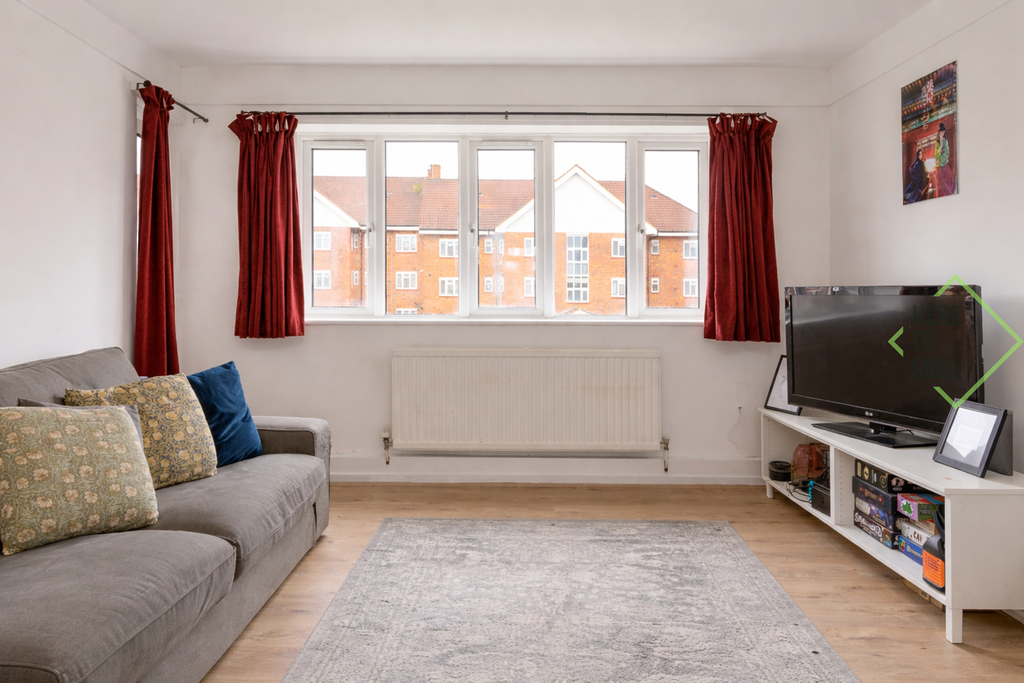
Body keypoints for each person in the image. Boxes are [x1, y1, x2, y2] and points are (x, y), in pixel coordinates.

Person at [933, 122, 955, 197]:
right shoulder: (937, 142)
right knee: (939, 185)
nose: (941, 132)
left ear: (944, 131)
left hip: (944, 166)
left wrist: (940, 159)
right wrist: (939, 150)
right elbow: (935, 155)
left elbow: (946, 153)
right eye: (939, 131)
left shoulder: (945, 141)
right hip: (938, 167)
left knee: (946, 184)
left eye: (942, 130)